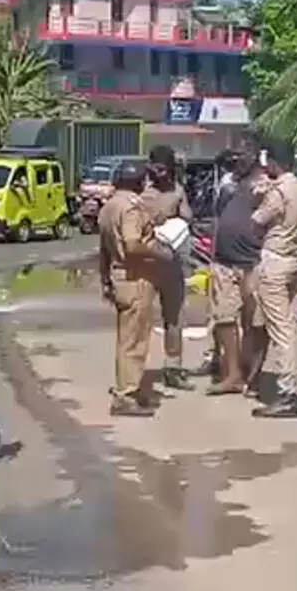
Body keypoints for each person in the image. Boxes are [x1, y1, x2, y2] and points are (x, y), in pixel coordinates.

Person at [98, 158, 173, 417]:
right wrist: (160, 253)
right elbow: (132, 245)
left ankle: (131, 387)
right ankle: (126, 395)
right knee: (134, 341)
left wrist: (105, 280)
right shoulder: (130, 207)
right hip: (135, 277)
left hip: (119, 276)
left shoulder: (109, 206)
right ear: (139, 182)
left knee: (127, 338)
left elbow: (103, 249)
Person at [249, 139, 297, 417]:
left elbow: (257, 221)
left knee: (281, 329)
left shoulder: (279, 192)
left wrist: (259, 195)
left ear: (275, 163)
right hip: (296, 261)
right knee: (295, 327)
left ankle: (287, 390)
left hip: (276, 261)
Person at [204, 145, 267, 396]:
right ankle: (233, 375)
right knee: (224, 317)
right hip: (224, 262)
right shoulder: (229, 185)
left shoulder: (266, 186)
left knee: (256, 322)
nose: (239, 160)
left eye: (244, 156)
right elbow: (218, 217)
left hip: (254, 263)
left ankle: (253, 374)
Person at [141, 145, 194, 390]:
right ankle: (134, 371)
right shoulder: (143, 192)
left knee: (174, 317)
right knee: (140, 316)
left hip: (172, 262)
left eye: (164, 169)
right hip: (146, 262)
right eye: (156, 169)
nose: (160, 174)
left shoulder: (178, 191)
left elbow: (188, 217)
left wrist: (175, 217)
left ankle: (173, 367)